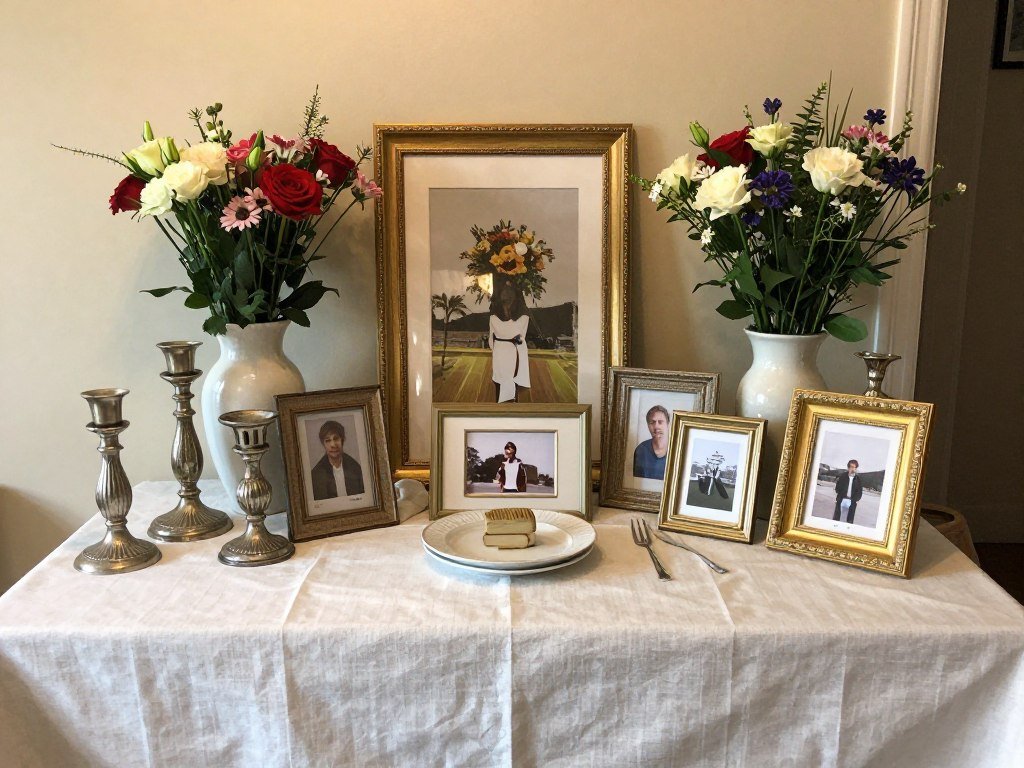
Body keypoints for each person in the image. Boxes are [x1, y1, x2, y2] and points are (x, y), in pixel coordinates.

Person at [489, 278, 531, 403]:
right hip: (514, 351)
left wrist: (497, 347)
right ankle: (512, 407)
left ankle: (500, 406)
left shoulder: (493, 316)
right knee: (513, 380)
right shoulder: (524, 316)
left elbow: (491, 339)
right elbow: (521, 337)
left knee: (500, 380)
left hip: (499, 352)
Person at [310, 420, 364, 501]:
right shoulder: (316, 474)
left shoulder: (356, 468)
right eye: (328, 440)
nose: (333, 445)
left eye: (336, 439)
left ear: (342, 440)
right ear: (323, 444)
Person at [632, 405, 670, 480]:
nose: (656, 426)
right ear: (648, 425)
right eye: (652, 422)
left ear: (667, 424)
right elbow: (635, 481)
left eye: (660, 422)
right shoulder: (641, 450)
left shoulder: (678, 448)